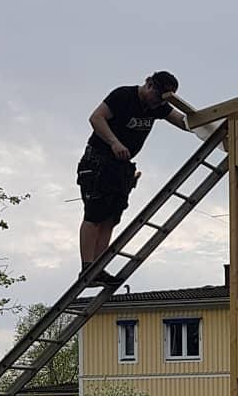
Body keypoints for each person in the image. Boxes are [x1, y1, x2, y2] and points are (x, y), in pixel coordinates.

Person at [77, 71, 188, 283]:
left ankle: (98, 268)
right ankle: (87, 267)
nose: (157, 104)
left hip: (120, 167)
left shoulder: (158, 106)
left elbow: (183, 122)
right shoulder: (123, 96)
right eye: (157, 97)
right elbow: (96, 117)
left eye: (162, 100)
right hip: (98, 160)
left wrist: (210, 123)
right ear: (148, 85)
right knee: (94, 214)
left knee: (110, 217)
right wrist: (114, 142)